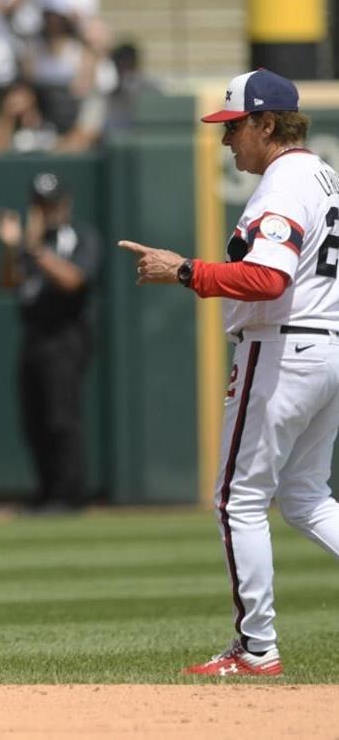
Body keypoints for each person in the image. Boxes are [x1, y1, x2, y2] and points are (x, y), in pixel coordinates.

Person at [119, 68, 339, 677]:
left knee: (237, 500)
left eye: (235, 127)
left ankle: (256, 648)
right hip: (325, 345)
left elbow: (269, 278)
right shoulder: (324, 175)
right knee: (305, 498)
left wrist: (186, 270)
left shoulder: (284, 182)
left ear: (267, 124)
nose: (226, 140)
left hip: (282, 349)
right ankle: (256, 646)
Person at [0, 173, 100, 512]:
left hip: (66, 333)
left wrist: (34, 248)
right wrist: (13, 248)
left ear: (65, 204)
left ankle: (68, 494)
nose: (48, 211)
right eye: (41, 205)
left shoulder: (79, 236)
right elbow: (9, 282)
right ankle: (46, 491)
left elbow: (74, 280)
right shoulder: (29, 242)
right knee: (34, 418)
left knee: (61, 416)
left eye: (53, 203)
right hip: (34, 333)